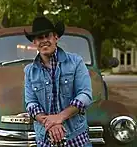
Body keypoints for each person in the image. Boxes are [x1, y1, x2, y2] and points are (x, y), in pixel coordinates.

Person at [24, 16, 93, 147]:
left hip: (76, 137)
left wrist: (60, 117)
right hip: (45, 138)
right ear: (34, 42)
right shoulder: (29, 71)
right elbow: (31, 103)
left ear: (56, 37)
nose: (44, 40)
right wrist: (50, 124)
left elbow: (85, 95)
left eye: (47, 36)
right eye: (39, 37)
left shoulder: (76, 62)